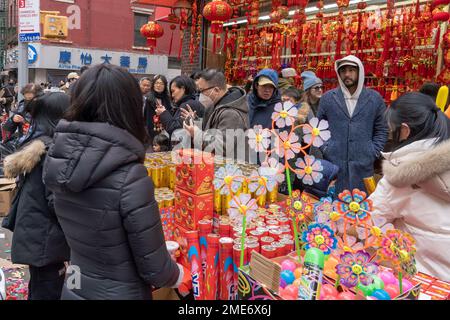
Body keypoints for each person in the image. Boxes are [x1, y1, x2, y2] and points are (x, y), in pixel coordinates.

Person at [42, 64, 190, 300]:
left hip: (74, 284)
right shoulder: (130, 176)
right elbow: (155, 267)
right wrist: (180, 274)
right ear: (129, 105)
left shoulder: (59, 158)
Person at [369, 92, 450, 281]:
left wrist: (397, 241)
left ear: (404, 130)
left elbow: (369, 223)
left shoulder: (399, 177)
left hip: (424, 281)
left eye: (391, 130)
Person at [1, 92, 71, 300]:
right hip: (46, 240)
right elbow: (56, 201)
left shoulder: (37, 143)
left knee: (41, 286)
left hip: (36, 236)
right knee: (48, 289)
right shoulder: (52, 151)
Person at [318, 55, 389, 194]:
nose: (347, 74)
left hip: (363, 164)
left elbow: (381, 129)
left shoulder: (374, 98)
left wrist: (372, 150)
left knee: (361, 207)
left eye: (351, 70)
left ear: (360, 72)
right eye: (343, 71)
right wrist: (326, 148)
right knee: (334, 207)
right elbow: (318, 128)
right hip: (335, 163)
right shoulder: (328, 98)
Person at [182, 69, 249, 161]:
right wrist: (195, 121)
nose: (200, 95)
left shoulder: (231, 113)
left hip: (229, 170)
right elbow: (211, 129)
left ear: (216, 90)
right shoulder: (216, 105)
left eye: (202, 91)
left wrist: (196, 133)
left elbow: (221, 147)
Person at [144, 75, 172, 144]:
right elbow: (147, 118)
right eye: (157, 83)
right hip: (153, 130)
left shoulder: (168, 98)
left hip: (166, 129)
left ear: (165, 86)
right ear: (153, 85)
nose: (158, 85)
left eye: (161, 83)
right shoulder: (149, 98)